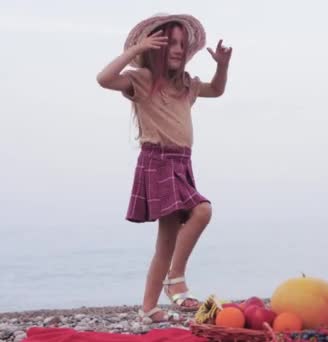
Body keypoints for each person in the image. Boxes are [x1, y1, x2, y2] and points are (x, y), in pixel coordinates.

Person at [96, 14, 233, 323]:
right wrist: (135, 51)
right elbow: (104, 79)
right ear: (155, 46)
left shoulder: (185, 84)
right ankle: (175, 278)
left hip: (181, 163)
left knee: (166, 242)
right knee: (203, 210)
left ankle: (148, 307)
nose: (177, 49)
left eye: (183, 45)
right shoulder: (142, 79)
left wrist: (222, 66)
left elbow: (217, 90)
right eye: (170, 42)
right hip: (157, 161)